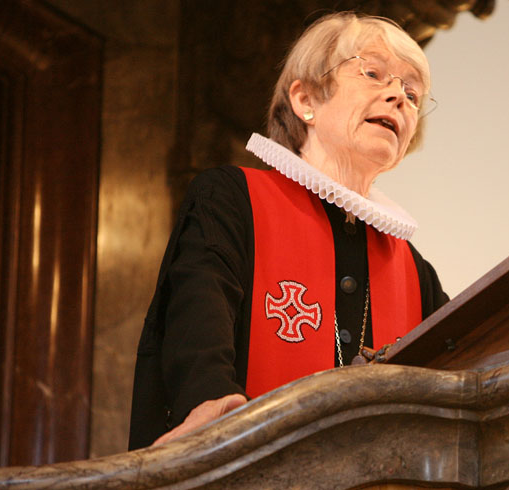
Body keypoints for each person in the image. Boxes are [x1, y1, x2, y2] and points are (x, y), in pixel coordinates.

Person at [128, 12, 448, 450]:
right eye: (374, 73)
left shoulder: (414, 271)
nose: (398, 97)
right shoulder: (232, 199)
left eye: (412, 94)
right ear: (305, 100)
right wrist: (213, 406)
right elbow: (196, 325)